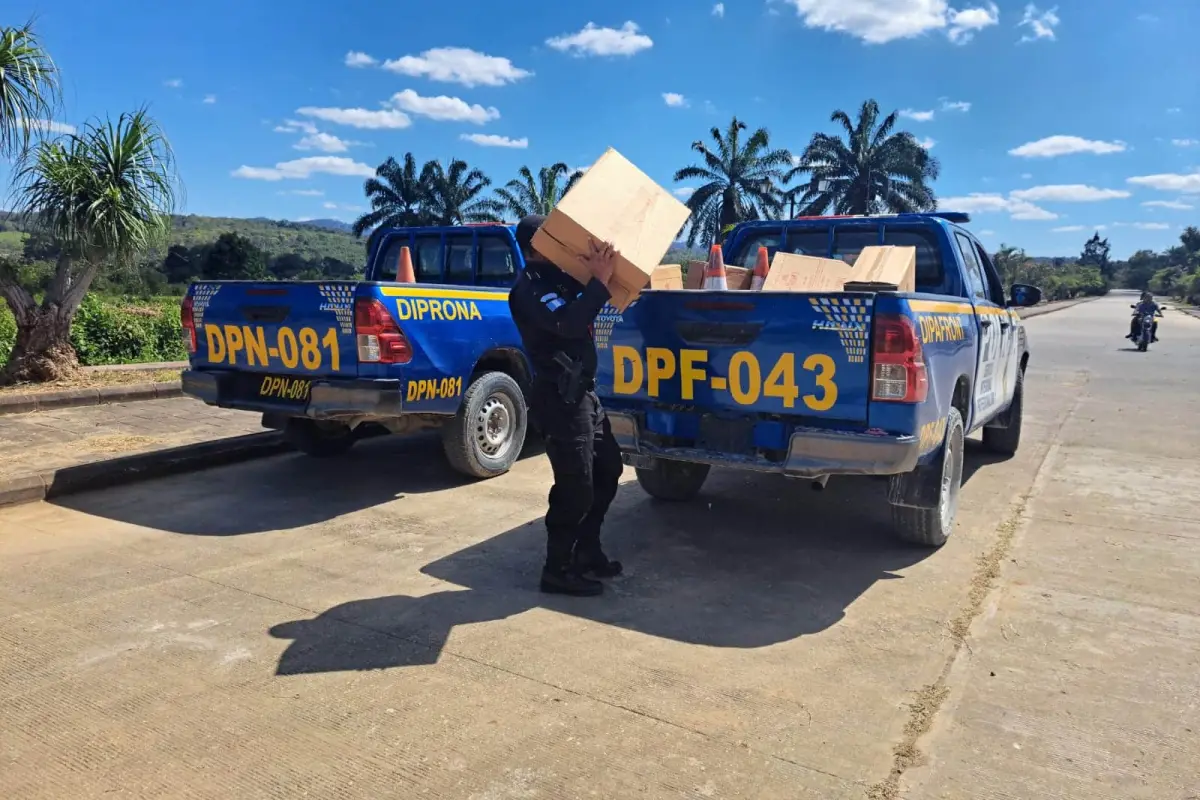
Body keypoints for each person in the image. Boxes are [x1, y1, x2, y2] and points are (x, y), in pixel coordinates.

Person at [508, 214, 625, 597]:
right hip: (560, 399)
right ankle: (556, 569)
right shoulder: (530, 288)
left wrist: (602, 268)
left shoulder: (561, 278)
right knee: (576, 487)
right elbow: (570, 323)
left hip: (584, 396)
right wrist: (599, 281)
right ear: (534, 247)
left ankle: (586, 550)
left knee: (609, 469)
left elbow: (594, 294)